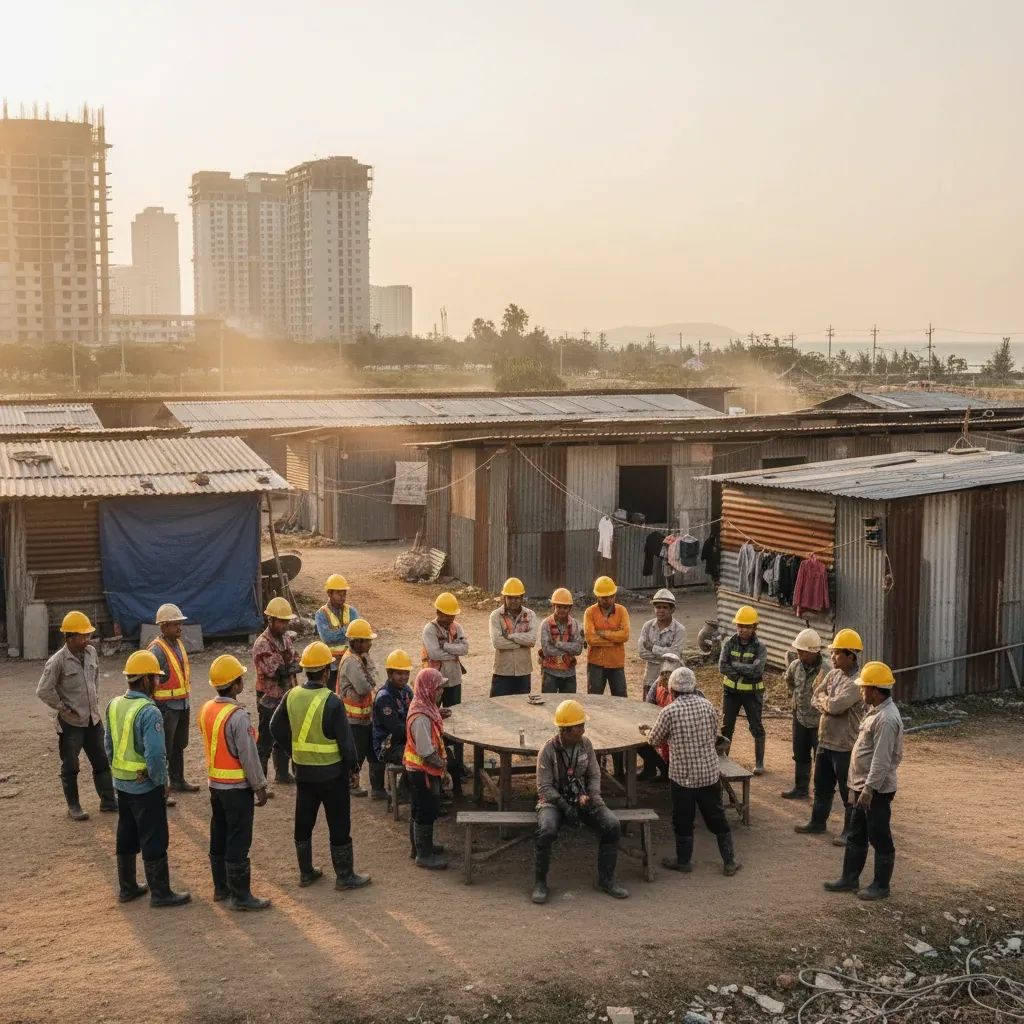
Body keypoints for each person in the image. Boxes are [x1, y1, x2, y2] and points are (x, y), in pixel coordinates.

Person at [270, 640, 370, 891]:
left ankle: (306, 873)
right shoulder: (332, 701)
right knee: (339, 824)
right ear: (326, 671)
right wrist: (354, 768)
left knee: (304, 822)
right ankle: (344, 875)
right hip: (332, 774)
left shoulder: (291, 695)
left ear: (306, 670)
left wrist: (293, 751)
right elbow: (346, 744)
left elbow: (275, 726)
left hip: (304, 773)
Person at [105, 650, 190, 907]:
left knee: (127, 832)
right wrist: (161, 781)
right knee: (154, 836)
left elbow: (108, 745)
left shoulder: (114, 704)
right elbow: (155, 755)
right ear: (145, 680)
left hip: (122, 783)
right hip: (145, 786)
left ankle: (127, 887)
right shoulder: (149, 711)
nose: (158, 684)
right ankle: (160, 892)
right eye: (155, 679)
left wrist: (120, 773)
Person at [643, 667, 741, 877]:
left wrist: (646, 732)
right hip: (708, 773)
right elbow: (715, 735)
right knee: (717, 817)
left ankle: (684, 861)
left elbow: (654, 740)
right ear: (694, 687)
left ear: (672, 690)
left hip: (682, 777)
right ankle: (729, 861)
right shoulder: (708, 706)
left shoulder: (669, 711)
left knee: (683, 821)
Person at [532, 699, 628, 904]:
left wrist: (594, 798)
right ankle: (540, 882)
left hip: (582, 797)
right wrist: (565, 806)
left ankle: (607, 879)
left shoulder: (586, 745)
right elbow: (544, 788)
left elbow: (594, 774)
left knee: (612, 825)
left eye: (583, 725)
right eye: (579, 726)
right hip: (553, 802)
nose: (583, 730)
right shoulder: (547, 751)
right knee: (547, 830)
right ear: (565, 730)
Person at [824, 661, 903, 901]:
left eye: (864, 688)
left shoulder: (887, 719)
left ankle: (881, 886)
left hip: (875, 790)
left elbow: (881, 760)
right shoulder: (876, 711)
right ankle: (849, 879)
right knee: (857, 834)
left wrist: (868, 790)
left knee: (879, 836)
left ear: (875, 690)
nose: (861, 691)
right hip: (861, 786)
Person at [199, 654, 271, 911]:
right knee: (239, 838)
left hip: (215, 785)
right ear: (236, 685)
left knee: (218, 834)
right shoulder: (238, 716)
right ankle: (241, 896)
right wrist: (259, 786)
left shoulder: (208, 708)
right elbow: (249, 756)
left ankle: (221, 889)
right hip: (237, 789)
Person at [35, 610, 116, 821]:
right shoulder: (57, 661)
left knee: (101, 762)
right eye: (82, 636)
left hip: (93, 720)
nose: (87, 639)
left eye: (87, 635)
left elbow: (95, 679)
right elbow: (43, 690)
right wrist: (62, 707)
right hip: (71, 723)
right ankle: (74, 806)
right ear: (69, 637)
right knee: (71, 766)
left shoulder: (91, 653)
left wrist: (94, 703)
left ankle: (108, 801)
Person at [796, 628, 865, 845]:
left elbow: (835, 706)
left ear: (850, 655)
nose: (832, 657)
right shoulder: (834, 674)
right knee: (821, 785)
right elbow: (815, 696)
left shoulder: (858, 682)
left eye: (836, 653)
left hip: (845, 744)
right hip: (826, 740)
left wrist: (827, 704)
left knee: (847, 791)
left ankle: (849, 831)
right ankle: (818, 822)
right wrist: (828, 704)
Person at [147, 603, 199, 803]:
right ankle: (162, 787)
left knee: (179, 745)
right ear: (163, 627)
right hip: (166, 707)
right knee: (164, 749)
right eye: (174, 624)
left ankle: (177, 780)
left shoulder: (177, 645)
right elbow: (149, 681)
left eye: (179, 624)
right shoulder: (156, 650)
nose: (179, 628)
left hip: (181, 704)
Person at [403, 668, 451, 870]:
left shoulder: (423, 706)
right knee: (426, 810)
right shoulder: (421, 717)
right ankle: (424, 855)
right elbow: (427, 752)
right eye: (438, 687)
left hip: (417, 770)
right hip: (423, 771)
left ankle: (420, 847)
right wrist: (444, 768)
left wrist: (437, 713)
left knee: (418, 809)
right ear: (429, 688)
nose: (441, 691)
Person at [421, 592, 470, 791]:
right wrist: (453, 650)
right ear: (438, 612)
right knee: (433, 720)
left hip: (454, 679)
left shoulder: (456, 627)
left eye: (453, 615)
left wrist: (447, 647)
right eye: (447, 615)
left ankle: (457, 763)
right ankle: (437, 760)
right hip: (434, 681)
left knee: (455, 721)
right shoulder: (429, 629)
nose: (450, 618)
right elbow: (433, 652)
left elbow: (465, 648)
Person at [252, 596, 301, 792]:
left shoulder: (285, 638)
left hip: (285, 695)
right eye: (281, 621)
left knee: (284, 735)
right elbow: (276, 670)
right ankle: (261, 781)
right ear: (270, 620)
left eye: (286, 621)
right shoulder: (262, 643)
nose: (284, 624)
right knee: (265, 740)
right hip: (268, 697)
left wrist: (288, 666)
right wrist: (290, 666)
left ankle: (281, 773)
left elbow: (295, 663)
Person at [718, 605, 768, 775]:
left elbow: (757, 671)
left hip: (752, 694)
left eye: (747, 626)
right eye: (740, 626)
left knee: (756, 727)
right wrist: (745, 669)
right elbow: (722, 667)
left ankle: (759, 763)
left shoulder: (760, 647)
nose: (742, 630)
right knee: (726, 727)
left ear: (754, 627)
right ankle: (723, 759)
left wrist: (736, 666)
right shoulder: (729, 643)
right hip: (731, 692)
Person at [336, 618, 381, 799]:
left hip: (364, 715)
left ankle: (377, 788)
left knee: (373, 752)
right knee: (357, 754)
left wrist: (370, 675)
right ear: (358, 641)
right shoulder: (351, 662)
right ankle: (352, 785)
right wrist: (370, 677)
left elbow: (373, 677)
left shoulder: (359, 658)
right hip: (353, 718)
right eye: (367, 640)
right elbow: (364, 687)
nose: (370, 643)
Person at [780, 629, 825, 800]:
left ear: (814, 652)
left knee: (820, 758)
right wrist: (796, 698)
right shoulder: (795, 666)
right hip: (799, 717)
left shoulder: (826, 670)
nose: (800, 655)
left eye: (803, 652)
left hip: (819, 721)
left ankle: (821, 793)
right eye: (798, 651)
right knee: (800, 754)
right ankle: (801, 788)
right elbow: (789, 680)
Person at [489, 577, 539, 696]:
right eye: (510, 597)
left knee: (522, 708)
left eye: (516, 598)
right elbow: (497, 642)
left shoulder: (530, 615)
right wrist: (522, 642)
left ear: (522, 598)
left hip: (523, 671)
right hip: (502, 671)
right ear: (504, 598)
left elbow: (532, 640)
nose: (513, 601)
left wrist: (511, 636)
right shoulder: (496, 616)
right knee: (499, 709)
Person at [584, 576, 631, 697]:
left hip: (616, 663)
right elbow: (590, 639)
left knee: (620, 698)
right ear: (597, 596)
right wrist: (615, 640)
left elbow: (625, 635)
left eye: (610, 596)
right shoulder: (590, 612)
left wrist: (603, 633)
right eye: (604, 597)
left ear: (615, 595)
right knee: (594, 699)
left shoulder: (622, 611)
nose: (607, 600)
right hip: (595, 663)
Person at [637, 589, 687, 699]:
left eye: (665, 607)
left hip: (671, 679)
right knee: (647, 709)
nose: (661, 610)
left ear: (672, 609)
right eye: (658, 607)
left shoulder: (679, 630)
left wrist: (653, 648)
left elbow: (676, 654)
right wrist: (666, 656)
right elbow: (641, 652)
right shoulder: (648, 626)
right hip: (650, 677)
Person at [315, 573, 361, 690]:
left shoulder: (351, 611)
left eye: (344, 593)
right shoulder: (321, 614)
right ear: (329, 593)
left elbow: (359, 632)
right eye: (338, 593)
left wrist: (340, 633)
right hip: (332, 666)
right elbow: (327, 637)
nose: (342, 597)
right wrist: (348, 631)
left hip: (351, 663)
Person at [372, 649, 415, 768]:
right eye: (400, 674)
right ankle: (406, 786)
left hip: (404, 740)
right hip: (388, 747)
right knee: (419, 758)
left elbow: (416, 710)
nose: (404, 677)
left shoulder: (406, 690)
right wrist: (418, 733)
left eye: (406, 673)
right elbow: (396, 728)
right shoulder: (384, 698)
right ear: (390, 674)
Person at [539, 588, 584, 694]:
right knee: (549, 705)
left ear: (570, 608)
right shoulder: (546, 624)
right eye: (558, 607)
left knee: (568, 705)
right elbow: (547, 650)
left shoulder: (575, 624)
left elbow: (578, 649)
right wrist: (569, 648)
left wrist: (557, 644)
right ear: (553, 606)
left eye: (565, 607)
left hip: (569, 674)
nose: (561, 610)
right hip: (549, 673)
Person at [643, 654, 682, 773]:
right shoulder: (657, 683)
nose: (665, 678)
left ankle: (668, 771)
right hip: (660, 723)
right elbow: (648, 703)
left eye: (669, 675)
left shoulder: (683, 691)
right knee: (642, 741)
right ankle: (652, 770)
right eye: (663, 674)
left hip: (676, 732)